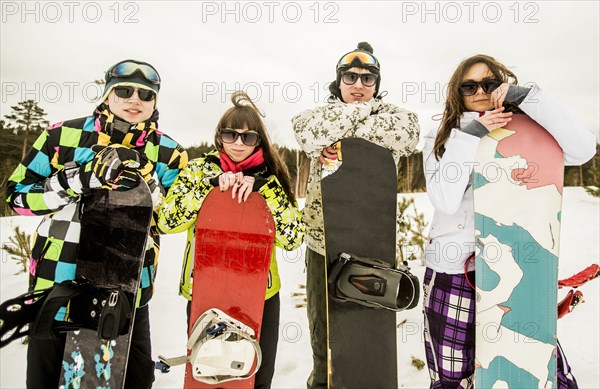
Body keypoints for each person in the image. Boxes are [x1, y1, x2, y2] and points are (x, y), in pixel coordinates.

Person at [5, 59, 188, 388]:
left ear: (155, 102)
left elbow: (174, 220)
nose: (135, 100)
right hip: (59, 282)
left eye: (145, 95)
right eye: (124, 91)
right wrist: (75, 180)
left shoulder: (167, 152)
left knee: (132, 380)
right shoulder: (63, 135)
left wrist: (149, 186)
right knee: (46, 379)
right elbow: (16, 198)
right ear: (107, 94)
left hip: (127, 290)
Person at [421, 53, 596, 389]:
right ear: (457, 93)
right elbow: (444, 199)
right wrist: (471, 135)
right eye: (469, 86)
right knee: (452, 371)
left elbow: (583, 149)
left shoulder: (530, 127)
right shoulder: (442, 136)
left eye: (489, 83)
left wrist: (528, 98)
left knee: (529, 364)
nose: (480, 92)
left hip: (516, 269)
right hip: (454, 269)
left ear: (503, 83)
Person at [291, 41, 420, 388]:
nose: (359, 85)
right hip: (324, 242)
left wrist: (342, 127)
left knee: (371, 332)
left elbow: (408, 133)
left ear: (377, 84)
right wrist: (366, 117)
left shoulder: (396, 116)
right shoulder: (319, 116)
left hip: (376, 241)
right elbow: (306, 130)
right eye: (350, 77)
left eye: (367, 78)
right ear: (338, 82)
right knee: (325, 331)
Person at [157, 91, 304, 389]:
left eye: (248, 137)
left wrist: (265, 191)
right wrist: (208, 188)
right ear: (219, 136)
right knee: (208, 375)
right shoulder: (198, 171)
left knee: (255, 376)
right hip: (206, 291)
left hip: (258, 296)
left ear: (259, 141)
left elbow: (293, 238)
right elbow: (167, 222)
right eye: (230, 134)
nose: (238, 143)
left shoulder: (270, 178)